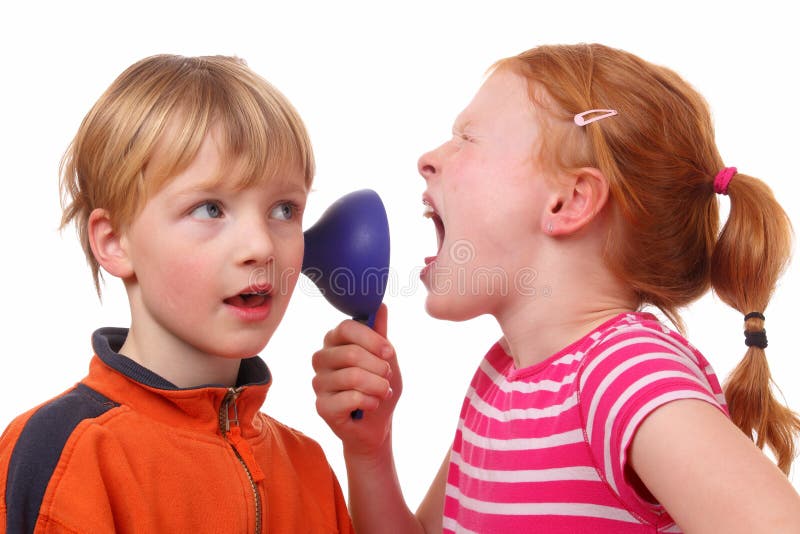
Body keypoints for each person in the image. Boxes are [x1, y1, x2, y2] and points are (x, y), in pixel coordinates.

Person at [311, 43, 800, 533]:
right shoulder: (499, 378)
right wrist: (370, 452)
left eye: (466, 138)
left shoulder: (623, 372)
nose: (428, 159)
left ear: (568, 201)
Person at [0, 54, 354, 533]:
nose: (260, 246)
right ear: (114, 241)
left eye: (284, 209)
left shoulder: (308, 467)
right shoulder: (67, 452)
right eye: (210, 208)